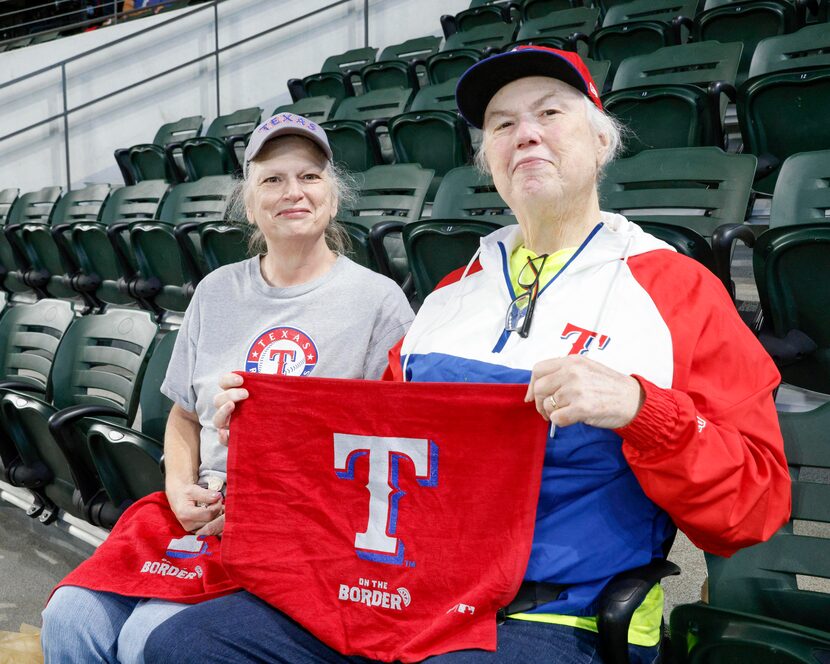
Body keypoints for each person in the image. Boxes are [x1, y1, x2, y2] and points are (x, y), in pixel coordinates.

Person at [144, 47, 791, 663]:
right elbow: (372, 469)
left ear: (601, 142)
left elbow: (756, 507)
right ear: (489, 159)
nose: (526, 134)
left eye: (550, 112)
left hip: (551, 617)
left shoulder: (676, 291)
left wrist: (644, 411)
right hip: (405, 595)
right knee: (188, 646)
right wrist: (262, 436)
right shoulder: (451, 297)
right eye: (503, 124)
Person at [40, 113, 414, 664]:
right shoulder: (216, 292)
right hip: (200, 509)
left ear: (333, 195)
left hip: (301, 524)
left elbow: (391, 455)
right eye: (273, 179)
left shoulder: (380, 304)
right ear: (249, 201)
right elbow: (184, 416)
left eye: (310, 177)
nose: (294, 192)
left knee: (149, 639)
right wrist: (176, 487)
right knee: (67, 619)